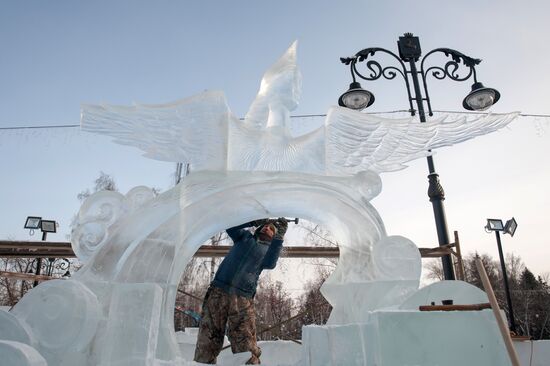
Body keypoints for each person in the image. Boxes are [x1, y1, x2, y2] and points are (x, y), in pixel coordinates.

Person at [194, 218, 288, 365]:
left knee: (245, 340)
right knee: (208, 336)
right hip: (218, 291)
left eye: (271, 228)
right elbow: (230, 227)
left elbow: (271, 263)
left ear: (273, 235)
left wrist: (280, 237)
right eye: (264, 226)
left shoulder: (268, 251)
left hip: (242, 298)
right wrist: (252, 221)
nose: (266, 228)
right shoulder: (244, 237)